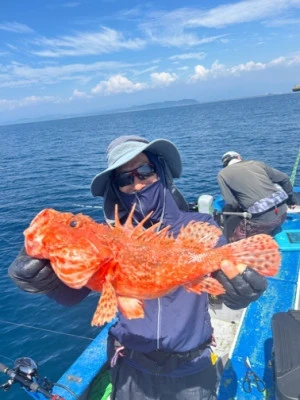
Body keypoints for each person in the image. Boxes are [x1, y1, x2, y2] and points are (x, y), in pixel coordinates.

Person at [9, 136, 268, 400]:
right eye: (124, 178)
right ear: (116, 188)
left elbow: (223, 283)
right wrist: (41, 279)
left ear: (161, 171)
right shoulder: (109, 235)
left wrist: (240, 291)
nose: (136, 183)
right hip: (131, 368)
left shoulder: (201, 225)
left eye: (145, 171)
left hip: (191, 370)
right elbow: (70, 293)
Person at [218, 151, 297, 242]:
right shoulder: (257, 163)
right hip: (282, 214)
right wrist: (290, 200)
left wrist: (226, 220)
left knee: (233, 240)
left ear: (225, 164)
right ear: (239, 157)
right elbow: (285, 179)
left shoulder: (222, 174)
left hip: (262, 223)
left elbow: (232, 203)